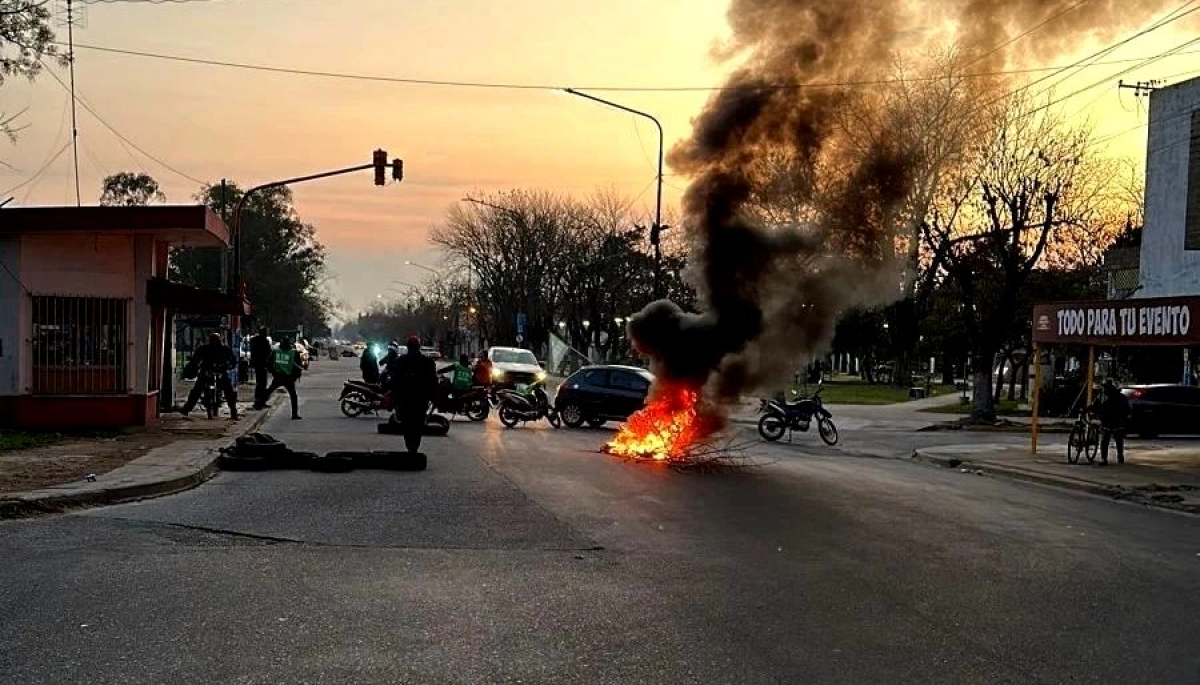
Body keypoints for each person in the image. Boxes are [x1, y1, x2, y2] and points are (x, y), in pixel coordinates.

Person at [386, 335, 438, 455]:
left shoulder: (400, 361)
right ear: (418, 347)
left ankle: (411, 446)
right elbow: (433, 382)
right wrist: (433, 397)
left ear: (408, 347)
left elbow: (394, 381)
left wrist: (392, 394)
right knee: (418, 423)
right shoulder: (428, 362)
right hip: (420, 399)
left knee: (407, 423)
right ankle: (413, 446)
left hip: (404, 400)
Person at [181, 332, 238, 420]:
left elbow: (232, 360)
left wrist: (228, 365)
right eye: (213, 340)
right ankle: (187, 408)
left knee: (228, 390)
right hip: (206, 372)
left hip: (220, 372)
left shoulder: (224, 349)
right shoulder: (204, 348)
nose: (215, 342)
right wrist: (195, 366)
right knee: (197, 389)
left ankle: (233, 411)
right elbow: (196, 359)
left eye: (216, 340)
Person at [259, 338, 303, 419]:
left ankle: (259, 404)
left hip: (278, 376)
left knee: (269, 390)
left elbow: (269, 363)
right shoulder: (293, 352)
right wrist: (295, 377)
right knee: (293, 395)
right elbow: (298, 366)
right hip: (288, 377)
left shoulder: (276, 352)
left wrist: (273, 372)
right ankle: (294, 414)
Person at [1092, 378, 1131, 465]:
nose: (1106, 390)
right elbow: (1096, 406)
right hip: (1106, 422)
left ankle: (1120, 456)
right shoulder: (1103, 398)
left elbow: (1126, 410)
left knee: (1118, 440)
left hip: (1117, 422)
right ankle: (1103, 459)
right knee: (1105, 440)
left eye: (1108, 388)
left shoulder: (1121, 398)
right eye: (1105, 388)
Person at [249, 326, 273, 407]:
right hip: (262, 364)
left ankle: (259, 400)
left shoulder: (254, 340)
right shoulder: (264, 341)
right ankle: (260, 401)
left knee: (260, 383)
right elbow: (268, 354)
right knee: (262, 383)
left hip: (257, 364)